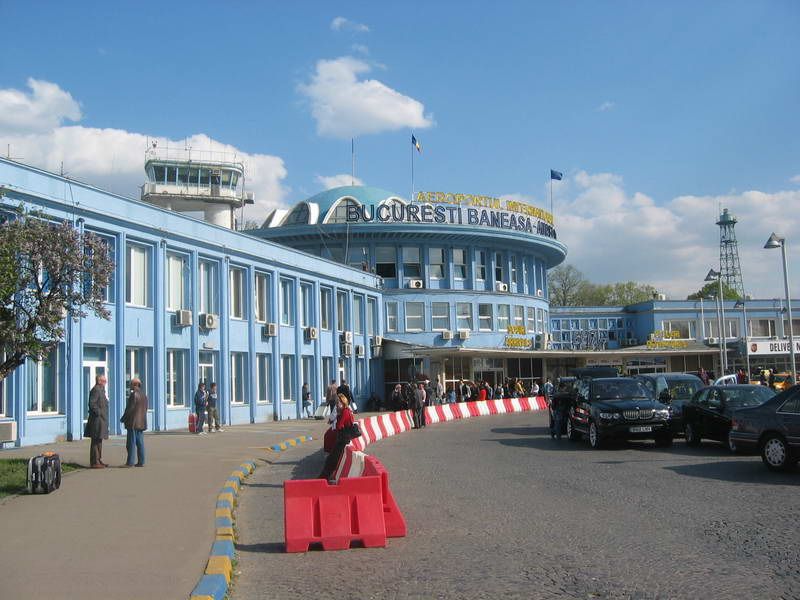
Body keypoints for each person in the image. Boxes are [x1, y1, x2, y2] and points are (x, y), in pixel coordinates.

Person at [318, 394, 355, 481]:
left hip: (343, 440)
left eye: (338, 403)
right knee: (331, 459)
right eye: (336, 403)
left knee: (332, 459)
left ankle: (325, 477)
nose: (337, 405)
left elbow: (339, 425)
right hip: (342, 438)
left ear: (343, 402)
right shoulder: (346, 411)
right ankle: (325, 476)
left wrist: (338, 416)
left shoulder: (345, 412)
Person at [121, 378, 147, 467]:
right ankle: (141, 461)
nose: (130, 385)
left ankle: (130, 462)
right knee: (140, 443)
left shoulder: (134, 394)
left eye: (131, 384)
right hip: (141, 422)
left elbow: (130, 409)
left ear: (135, 384)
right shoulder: (144, 394)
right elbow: (145, 409)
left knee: (131, 443)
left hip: (133, 422)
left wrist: (123, 418)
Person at [85, 374, 109, 468]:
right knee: (95, 441)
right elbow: (92, 404)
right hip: (97, 420)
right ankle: (94, 462)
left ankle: (98, 460)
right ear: (99, 381)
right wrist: (98, 413)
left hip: (101, 420)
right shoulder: (96, 390)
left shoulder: (101, 390)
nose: (105, 383)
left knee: (99, 440)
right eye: (104, 381)